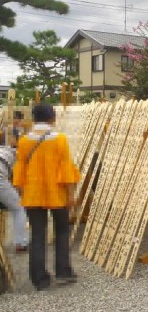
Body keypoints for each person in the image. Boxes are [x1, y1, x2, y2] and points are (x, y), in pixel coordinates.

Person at [13, 102, 81, 291]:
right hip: (56, 194)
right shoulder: (59, 139)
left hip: (33, 194)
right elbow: (66, 169)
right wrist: (71, 194)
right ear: (52, 118)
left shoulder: (25, 141)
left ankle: (39, 279)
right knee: (61, 232)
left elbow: (19, 170)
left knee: (37, 236)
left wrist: (21, 192)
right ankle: (63, 273)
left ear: (34, 119)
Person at [0, 146, 28, 253]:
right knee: (18, 208)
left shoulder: (4, 149)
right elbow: (16, 182)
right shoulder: (19, 157)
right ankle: (21, 243)